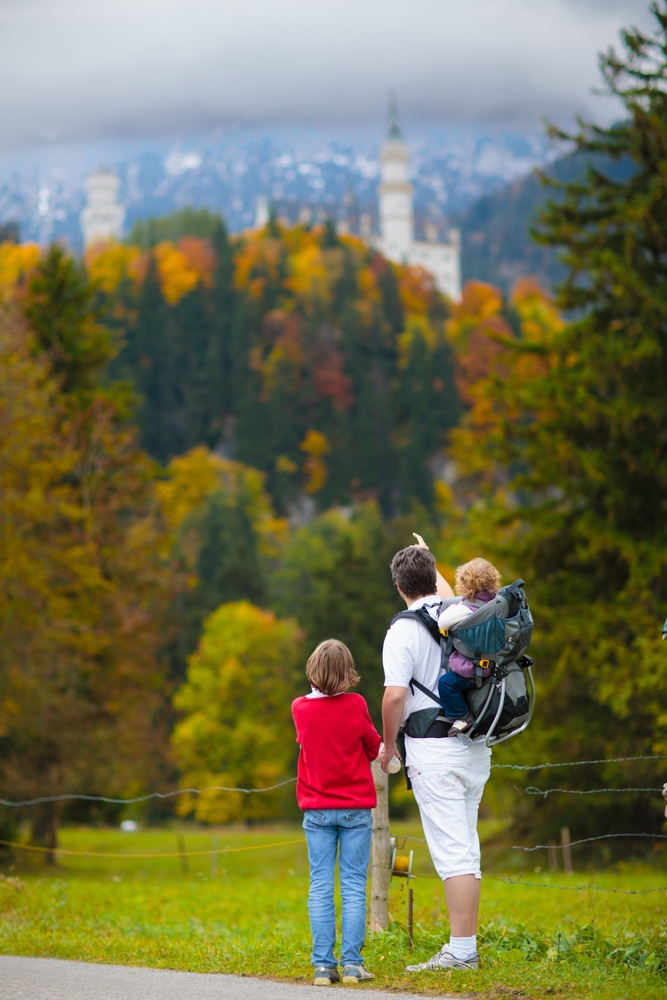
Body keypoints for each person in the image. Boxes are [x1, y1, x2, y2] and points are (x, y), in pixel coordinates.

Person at [379, 538, 492, 973]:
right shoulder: (459, 610)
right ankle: (465, 945)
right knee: (467, 848)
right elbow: (441, 590)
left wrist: (390, 744)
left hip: (433, 751)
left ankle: (461, 952)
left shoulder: (403, 631)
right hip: (473, 746)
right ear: (433, 576)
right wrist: (429, 554)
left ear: (398, 586)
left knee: (453, 854)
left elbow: (394, 697)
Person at [292, 639, 381, 987]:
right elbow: (372, 747)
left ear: (312, 670)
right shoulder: (356, 704)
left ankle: (323, 967)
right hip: (355, 809)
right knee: (354, 885)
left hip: (317, 810)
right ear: (348, 672)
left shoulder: (300, 708)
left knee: (320, 885)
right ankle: (353, 965)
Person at [437, 557, 502, 736]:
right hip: (493, 666)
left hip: (473, 670)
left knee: (446, 683)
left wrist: (457, 605)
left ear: (465, 586)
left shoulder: (466, 610)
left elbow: (442, 622)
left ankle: (462, 716)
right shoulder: (494, 605)